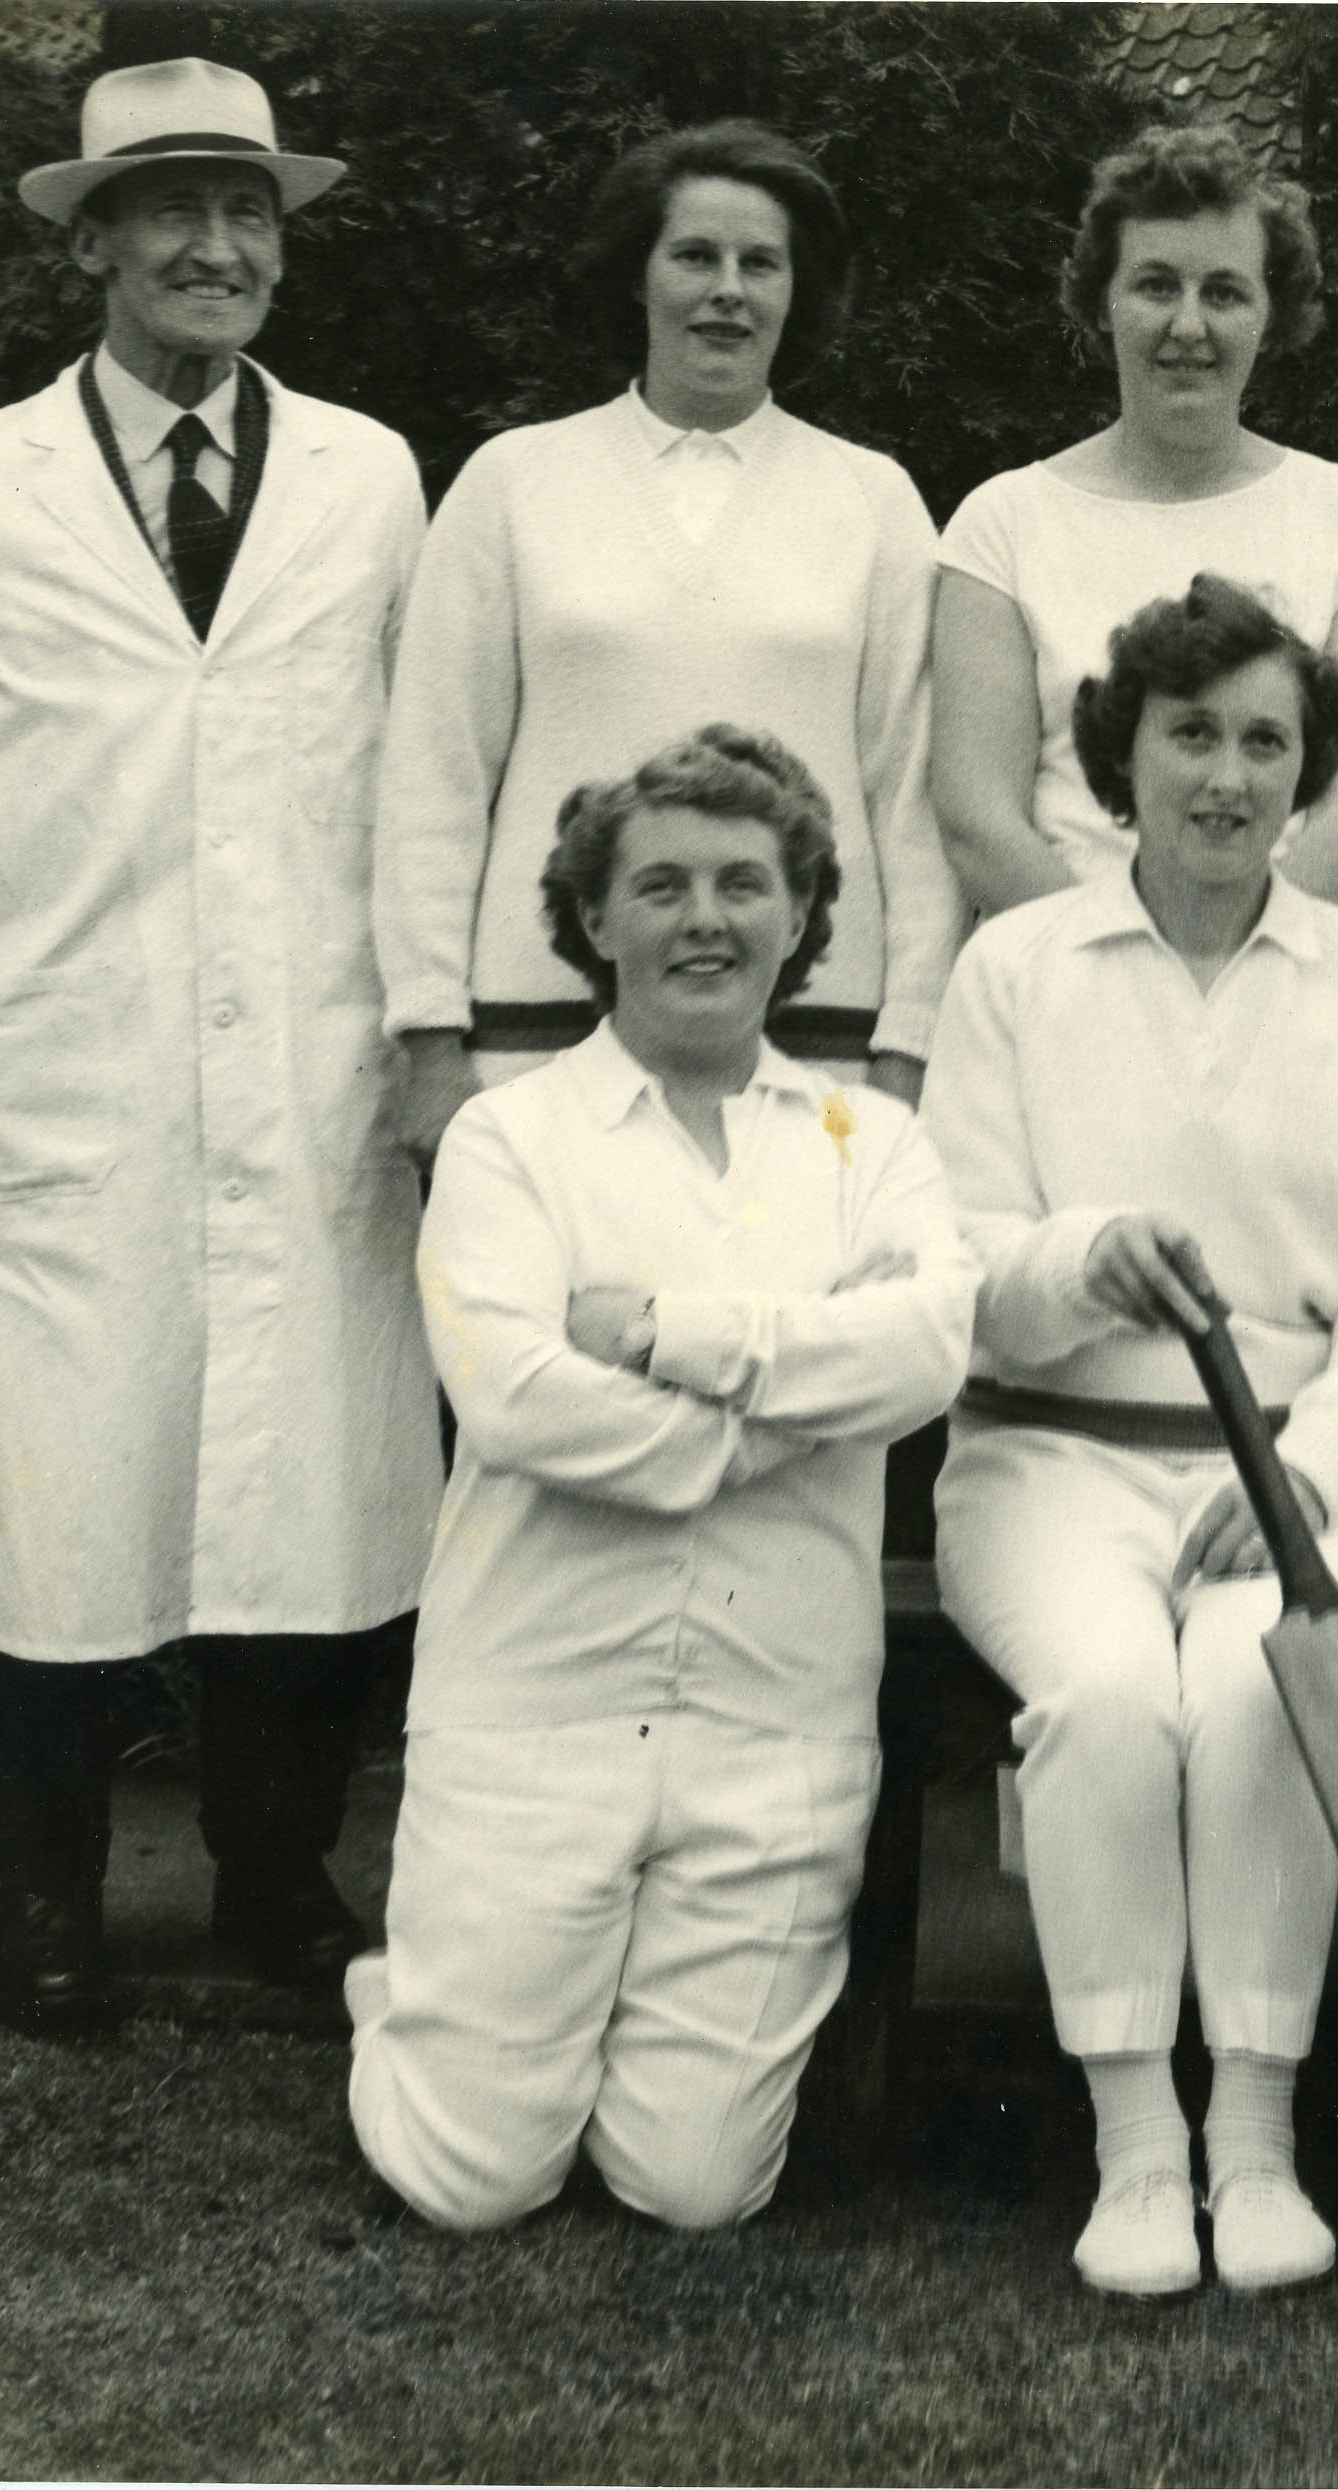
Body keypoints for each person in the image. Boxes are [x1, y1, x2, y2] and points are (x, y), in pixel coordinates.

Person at [0, 59, 436, 2029]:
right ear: (88, 241)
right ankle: (46, 1895)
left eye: (248, 210)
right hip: (66, 1088)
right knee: (53, 1498)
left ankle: (278, 1878)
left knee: (305, 1493)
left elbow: (404, 782)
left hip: (304, 1075)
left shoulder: (371, 479)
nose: (214, 247)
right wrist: (28, 1006)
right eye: (169, 209)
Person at [350, 725, 978, 2232]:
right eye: (663, 885)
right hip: (537, 1710)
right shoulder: (509, 1138)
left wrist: (674, 1337)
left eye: (746, 883)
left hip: (776, 1731)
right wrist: (784, 1418)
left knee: (692, 2188)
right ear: (593, 918)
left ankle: (554, 2008)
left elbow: (928, 1351)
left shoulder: (873, 1142)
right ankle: (418, 1995)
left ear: (802, 915)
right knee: (472, 2181)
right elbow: (515, 1400)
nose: (706, 917)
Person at [924, 577, 1338, 2300]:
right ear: (1118, 758)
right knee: (1104, 1700)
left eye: (1263, 742)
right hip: (1043, 1461)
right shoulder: (1011, 969)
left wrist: (1310, 1469)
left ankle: (1251, 2126)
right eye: (1188, 736)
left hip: (1296, 1471)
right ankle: (1133, 2141)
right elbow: (953, 1272)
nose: (1224, 777)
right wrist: (1076, 1258)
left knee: (1254, 1692)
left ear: (1305, 775)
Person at [376, 120, 947, 1150]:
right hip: (536, 1036)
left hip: (815, 1049)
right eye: (693, 256)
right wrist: (429, 1036)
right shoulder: (514, 481)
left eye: (759, 264)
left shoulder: (875, 500)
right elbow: (434, 775)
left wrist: (906, 1046)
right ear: (637, 278)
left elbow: (911, 798)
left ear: (793, 290)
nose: (727, 289)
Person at [933, 125, 1338, 938]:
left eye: (1224, 293)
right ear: (1102, 303)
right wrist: (1125, 960)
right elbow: (979, 818)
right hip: (1059, 975)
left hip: (1289, 981)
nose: (1188, 325)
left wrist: (1241, 957)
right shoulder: (1000, 522)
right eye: (1156, 286)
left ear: (1269, 315)